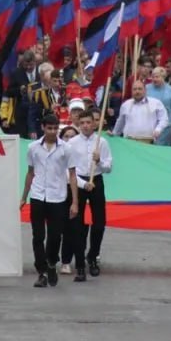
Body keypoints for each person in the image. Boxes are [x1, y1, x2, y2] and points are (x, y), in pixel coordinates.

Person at [21, 113, 79, 288]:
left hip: (58, 197)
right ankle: (42, 272)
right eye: (49, 128)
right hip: (38, 195)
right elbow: (30, 172)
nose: (52, 132)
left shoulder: (66, 149)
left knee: (55, 236)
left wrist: (74, 202)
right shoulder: (33, 148)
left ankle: (52, 263)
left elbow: (73, 175)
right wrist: (24, 196)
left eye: (55, 128)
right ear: (43, 128)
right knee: (38, 236)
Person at [68, 110, 112, 282]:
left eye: (89, 122)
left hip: (97, 181)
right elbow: (68, 169)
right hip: (78, 182)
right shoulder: (71, 143)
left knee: (99, 223)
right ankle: (79, 265)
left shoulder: (102, 142)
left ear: (94, 124)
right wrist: (82, 183)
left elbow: (109, 167)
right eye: (83, 122)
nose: (86, 125)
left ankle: (93, 256)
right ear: (78, 124)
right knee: (77, 225)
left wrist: (99, 160)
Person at [146, 67, 171, 146]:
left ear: (163, 77)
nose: (154, 79)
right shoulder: (147, 88)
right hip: (151, 124)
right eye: (153, 77)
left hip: (167, 126)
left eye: (157, 77)